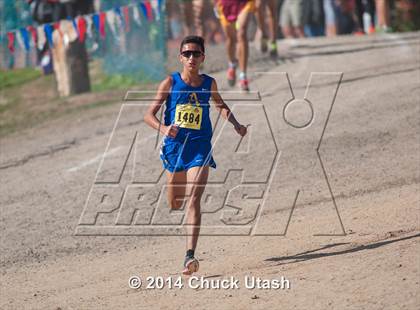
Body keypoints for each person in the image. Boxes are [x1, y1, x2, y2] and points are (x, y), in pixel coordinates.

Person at [144, 36, 248, 275]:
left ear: (203, 58)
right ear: (181, 57)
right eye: (187, 54)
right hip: (174, 147)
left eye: (196, 54)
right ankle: (172, 183)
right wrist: (164, 128)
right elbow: (148, 114)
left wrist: (236, 124)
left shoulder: (209, 83)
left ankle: (189, 256)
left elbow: (220, 105)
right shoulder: (170, 82)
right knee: (175, 201)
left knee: (193, 199)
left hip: (200, 146)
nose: (192, 57)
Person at [215, 0, 255, 91]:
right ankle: (232, 64)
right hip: (225, 3)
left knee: (242, 33)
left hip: (244, 2)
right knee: (230, 38)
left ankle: (243, 76)